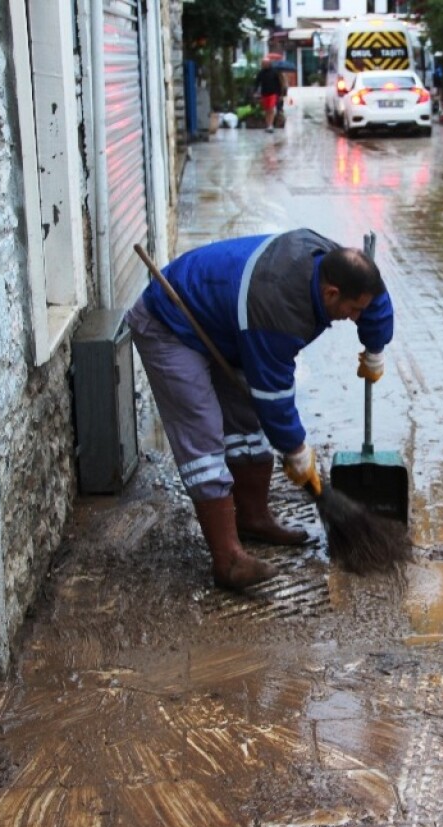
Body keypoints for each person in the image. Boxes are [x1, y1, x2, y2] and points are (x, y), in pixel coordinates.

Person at [126, 230, 394, 589]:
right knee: (203, 434)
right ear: (331, 294)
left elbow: (374, 300)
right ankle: (228, 561)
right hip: (172, 323)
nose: (355, 317)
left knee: (244, 422)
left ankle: (252, 518)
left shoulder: (337, 266)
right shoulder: (278, 308)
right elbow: (274, 396)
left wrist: (375, 347)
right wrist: (297, 451)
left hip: (229, 326)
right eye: (353, 311)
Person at [253, 58, 286, 133]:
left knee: (271, 109)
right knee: (267, 110)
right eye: (262, 64)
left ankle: (270, 125)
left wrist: (281, 94)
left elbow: (280, 84)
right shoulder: (261, 73)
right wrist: (255, 91)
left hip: (273, 93)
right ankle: (268, 125)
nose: (263, 65)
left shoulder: (275, 72)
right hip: (264, 93)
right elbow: (257, 82)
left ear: (269, 63)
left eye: (265, 63)